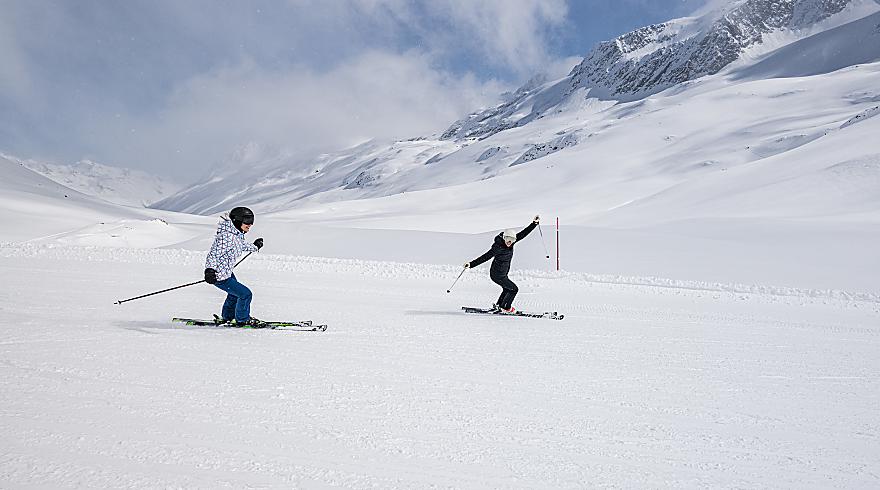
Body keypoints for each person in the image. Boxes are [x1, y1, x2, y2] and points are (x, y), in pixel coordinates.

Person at [464, 215, 540, 313]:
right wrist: (471, 264)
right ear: (504, 237)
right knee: (514, 289)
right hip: (497, 275)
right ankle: (506, 308)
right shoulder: (498, 247)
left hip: (503, 274)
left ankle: (500, 305)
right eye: (507, 238)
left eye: (512, 239)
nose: (509, 241)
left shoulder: (511, 242)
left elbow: (524, 233)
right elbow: (485, 257)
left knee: (507, 289)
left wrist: (534, 223)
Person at [203, 206, 265, 326]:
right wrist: (209, 270)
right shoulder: (227, 237)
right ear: (237, 220)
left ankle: (228, 317)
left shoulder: (235, 235)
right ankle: (242, 319)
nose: (250, 224)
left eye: (251, 221)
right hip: (219, 275)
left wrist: (255, 246)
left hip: (227, 273)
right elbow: (213, 254)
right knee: (245, 294)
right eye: (247, 221)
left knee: (234, 294)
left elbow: (241, 245)